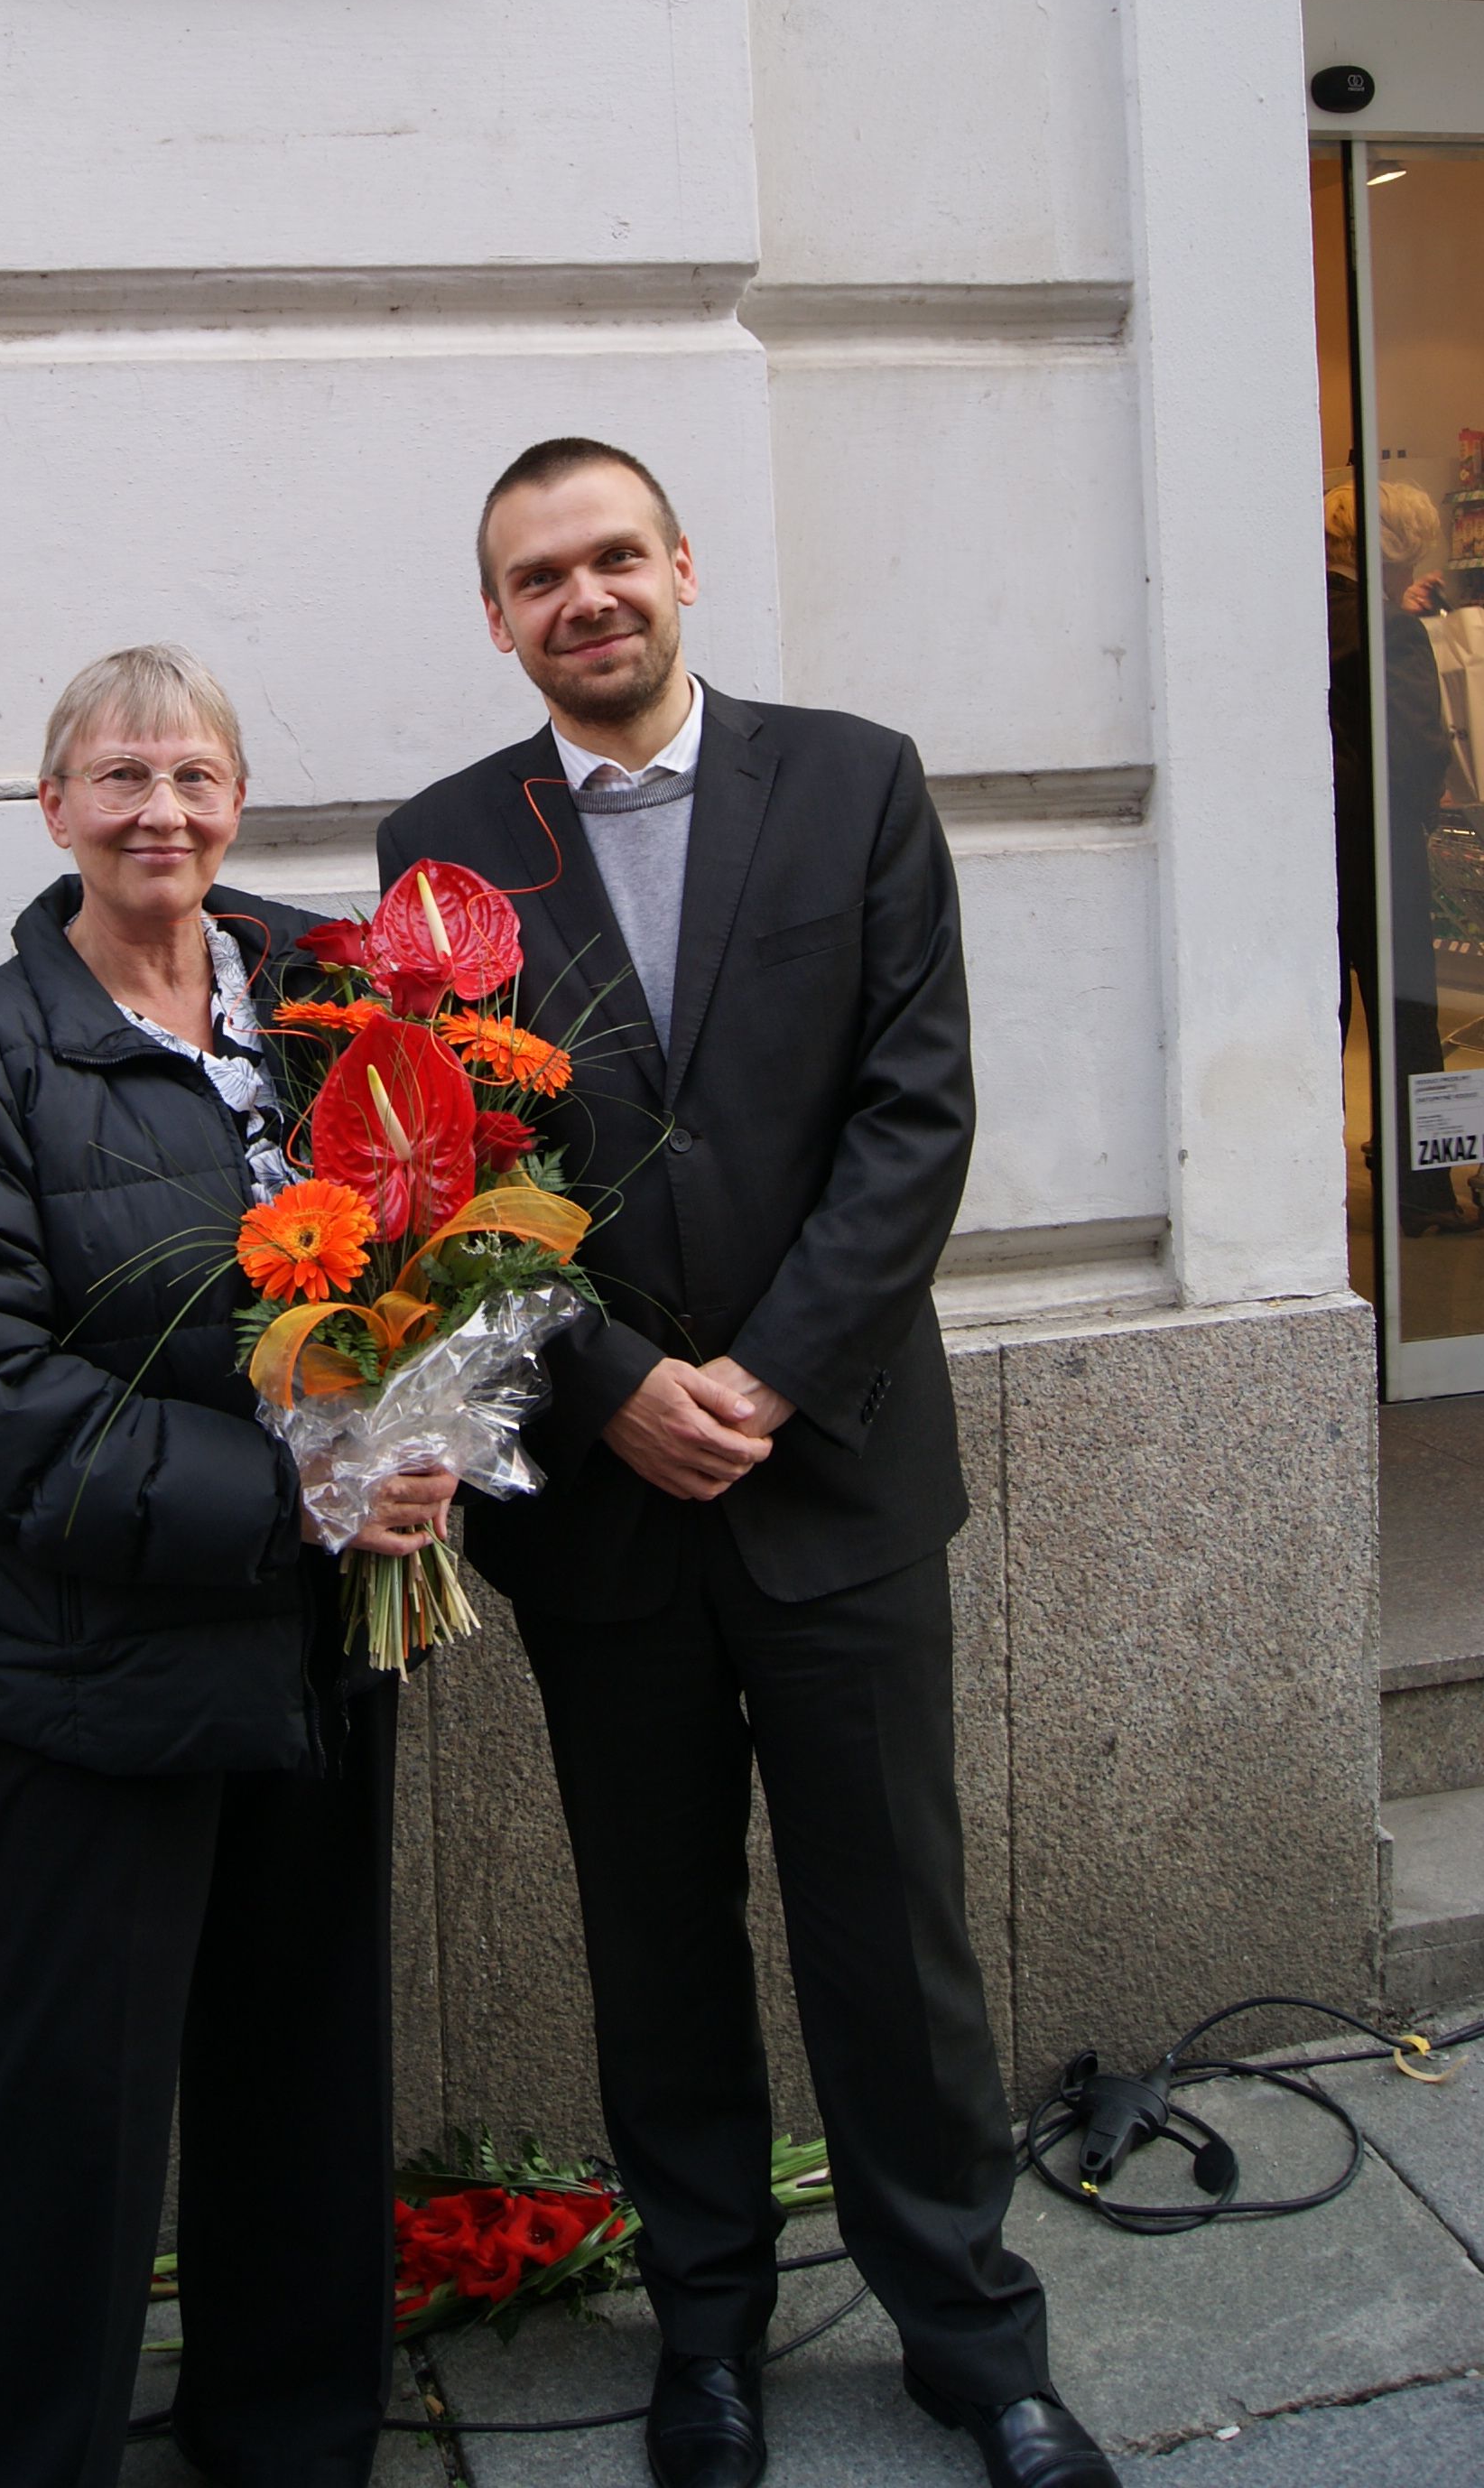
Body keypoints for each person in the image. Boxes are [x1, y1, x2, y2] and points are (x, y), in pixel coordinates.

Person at [377, 441, 1118, 2488]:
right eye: (540, 575)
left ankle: (969, 2336)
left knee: (895, 1935)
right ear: (499, 618)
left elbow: (914, 1111)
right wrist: (613, 1378)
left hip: (836, 1475)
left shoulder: (854, 782)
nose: (585, 596)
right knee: (656, 1940)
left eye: (613, 554)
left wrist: (769, 1376)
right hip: (606, 1509)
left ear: (681, 566)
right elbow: (444, 1165)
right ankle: (703, 2331)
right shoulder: (443, 848)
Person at [0, 644, 452, 2488]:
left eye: (192, 775)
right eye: (118, 776)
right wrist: (289, 1495)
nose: (159, 810)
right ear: (54, 807)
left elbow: (425, 1236)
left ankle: (290, 2436)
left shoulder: (319, 1011)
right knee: (72, 2108)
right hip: (95, 1667)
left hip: (313, 1649)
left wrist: (432, 1426)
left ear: (236, 800)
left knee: (301, 2068)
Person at [1324, 478, 1475, 1236]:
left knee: (1324, 1015)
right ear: (1398, 545)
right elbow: (1416, 748)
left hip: (1317, 848)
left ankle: (1308, 1186)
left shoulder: (1302, 612)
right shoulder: (1388, 629)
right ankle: (1423, 1193)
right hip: (1379, 848)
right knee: (1407, 1020)